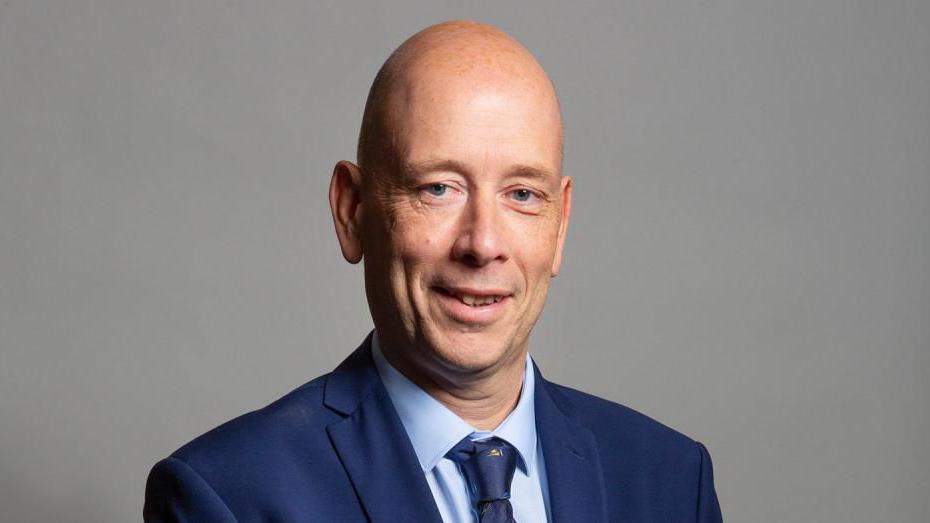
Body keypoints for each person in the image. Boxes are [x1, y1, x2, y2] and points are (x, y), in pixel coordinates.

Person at [144, 20, 723, 523]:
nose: (483, 243)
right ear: (352, 211)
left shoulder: (671, 481)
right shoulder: (227, 498)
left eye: (522, 194)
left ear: (560, 225)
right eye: (438, 188)